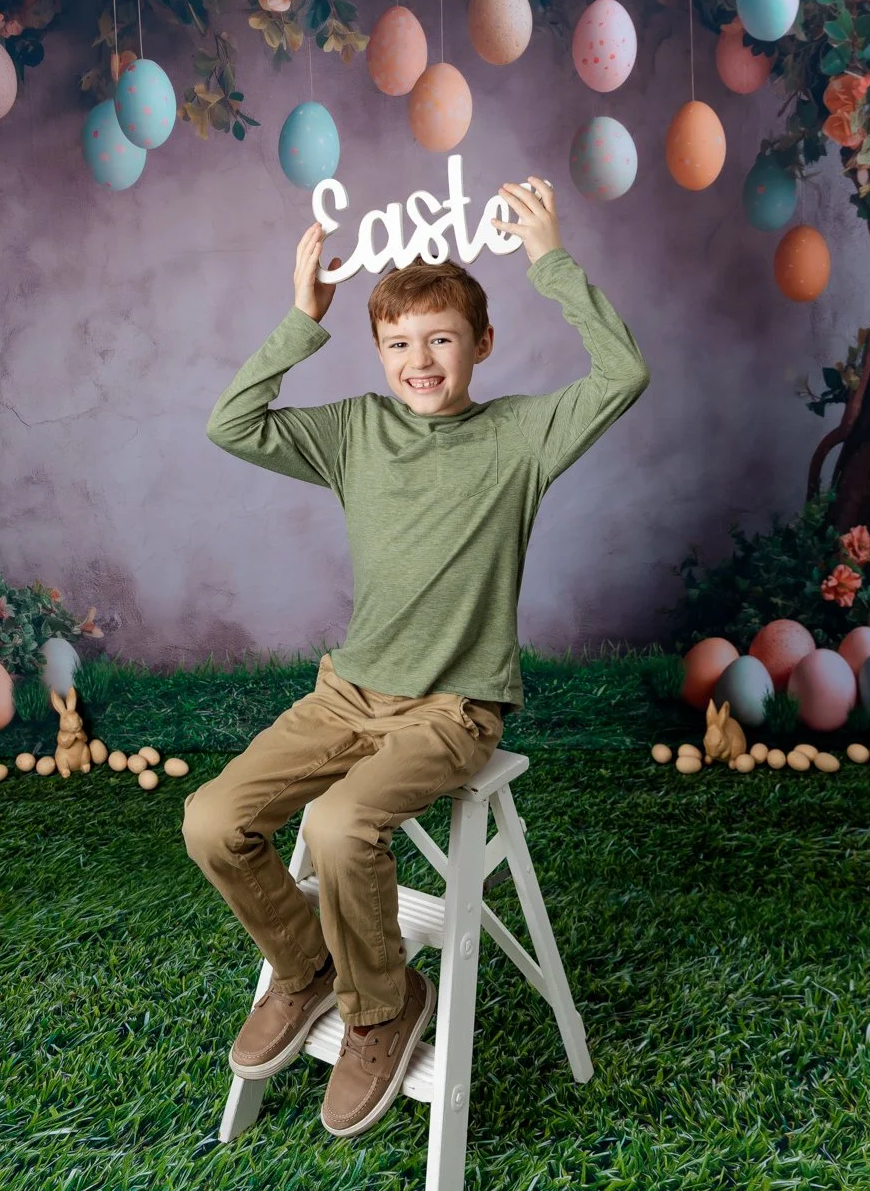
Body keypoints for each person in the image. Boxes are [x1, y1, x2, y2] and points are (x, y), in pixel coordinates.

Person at [182, 176, 650, 1140]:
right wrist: (300, 318)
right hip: (347, 694)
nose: (419, 360)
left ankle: (381, 1012)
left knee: (345, 822)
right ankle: (310, 966)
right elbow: (231, 423)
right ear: (378, 352)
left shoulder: (521, 434)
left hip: (452, 708)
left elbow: (622, 375)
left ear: (481, 344)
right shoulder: (354, 428)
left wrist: (550, 260)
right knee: (212, 819)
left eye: (440, 339)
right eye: (398, 343)